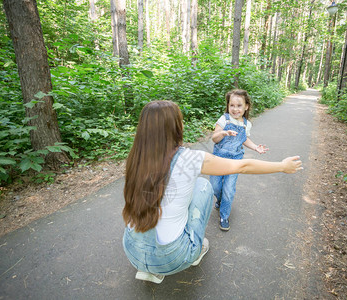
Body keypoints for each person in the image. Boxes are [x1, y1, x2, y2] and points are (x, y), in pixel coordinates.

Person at [122, 100, 302, 284]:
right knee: (203, 186)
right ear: (175, 127)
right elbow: (244, 165)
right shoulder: (190, 158)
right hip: (173, 257)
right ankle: (193, 251)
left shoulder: (136, 156)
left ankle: (149, 267)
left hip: (132, 250)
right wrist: (281, 166)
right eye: (180, 120)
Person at [210, 89, 269, 231]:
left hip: (235, 160)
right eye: (232, 105)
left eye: (239, 106)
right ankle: (220, 200)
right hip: (218, 158)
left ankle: (224, 215)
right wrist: (224, 133)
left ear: (246, 106)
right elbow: (214, 138)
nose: (235, 109)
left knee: (229, 189)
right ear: (228, 106)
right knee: (215, 186)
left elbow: (244, 139)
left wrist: (255, 147)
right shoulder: (224, 119)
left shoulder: (246, 124)